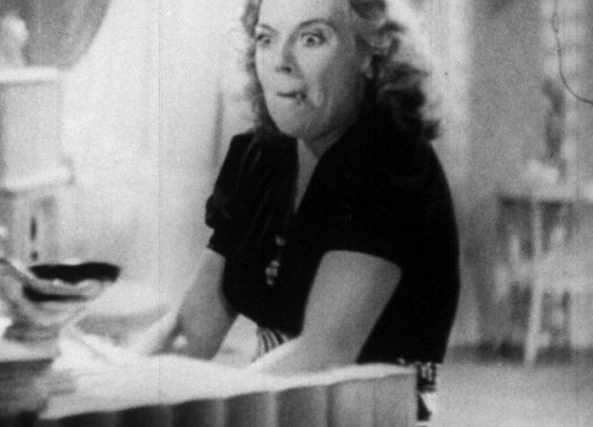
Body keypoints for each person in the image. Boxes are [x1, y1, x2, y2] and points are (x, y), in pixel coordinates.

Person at [132, 0, 459, 402]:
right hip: (274, 404)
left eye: (311, 38)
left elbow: (322, 355)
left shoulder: (392, 165)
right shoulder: (260, 157)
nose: (281, 62)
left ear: (369, 53)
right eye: (267, 39)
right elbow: (191, 329)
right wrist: (114, 394)